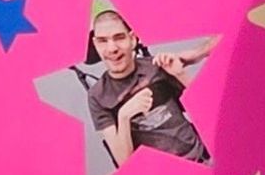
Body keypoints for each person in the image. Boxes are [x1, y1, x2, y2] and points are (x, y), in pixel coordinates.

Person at [86, 9, 213, 166]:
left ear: (132, 39)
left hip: (200, 160)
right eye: (103, 41)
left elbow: (210, 112)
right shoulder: (98, 96)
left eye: (119, 37)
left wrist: (180, 74)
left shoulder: (157, 67)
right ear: (95, 45)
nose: (112, 48)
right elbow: (124, 162)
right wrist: (124, 116)